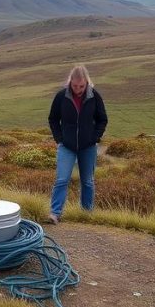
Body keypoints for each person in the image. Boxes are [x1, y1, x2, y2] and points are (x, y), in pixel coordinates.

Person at [47, 64, 108, 224]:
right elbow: (53, 119)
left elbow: (103, 119)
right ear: (70, 82)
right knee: (62, 179)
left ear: (87, 82)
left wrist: (95, 138)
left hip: (88, 147)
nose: (78, 89)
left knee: (87, 181)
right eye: (75, 86)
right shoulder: (61, 96)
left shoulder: (94, 96)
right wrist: (59, 138)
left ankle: (86, 214)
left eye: (81, 86)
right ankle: (55, 213)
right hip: (66, 146)